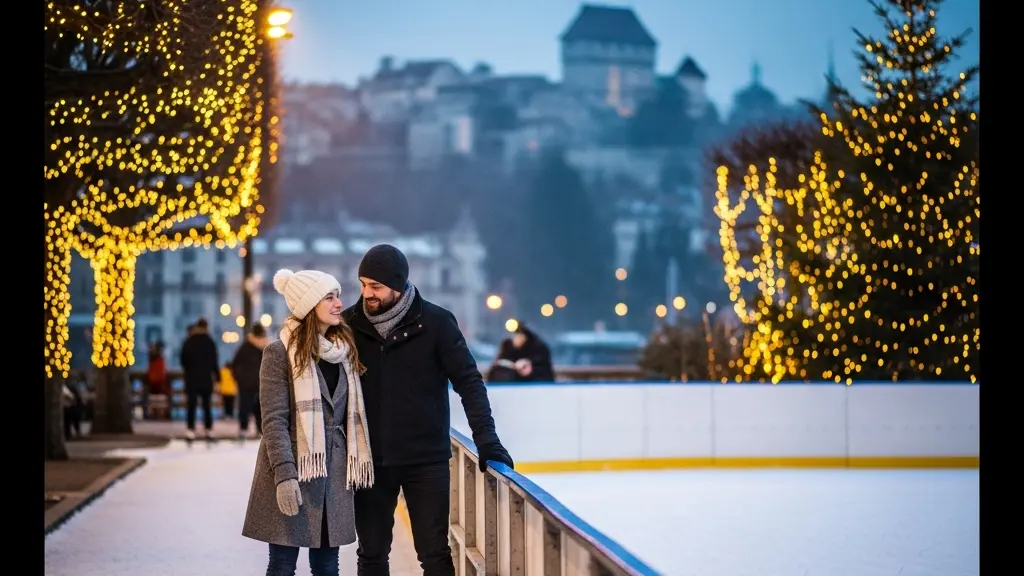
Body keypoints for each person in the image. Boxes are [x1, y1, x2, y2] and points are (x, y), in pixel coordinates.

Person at [343, 244, 513, 576]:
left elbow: (468, 382)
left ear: (397, 284)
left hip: (425, 460)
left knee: (434, 554)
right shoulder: (350, 323)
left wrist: (487, 439)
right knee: (371, 555)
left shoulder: (435, 323)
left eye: (375, 286)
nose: (367, 294)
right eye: (363, 284)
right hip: (369, 462)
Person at [242, 269, 375, 576]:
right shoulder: (278, 354)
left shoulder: (344, 351)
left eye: (338, 296)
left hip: (334, 476)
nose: (339, 304)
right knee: (283, 566)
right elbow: (273, 421)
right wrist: (284, 477)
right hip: (294, 469)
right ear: (308, 305)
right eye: (329, 297)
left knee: (328, 567)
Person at [179, 318, 219, 440]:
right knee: (206, 405)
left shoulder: (189, 341)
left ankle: (190, 429)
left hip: (191, 378)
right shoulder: (210, 342)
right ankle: (208, 429)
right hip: (206, 378)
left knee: (191, 405)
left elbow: (183, 360)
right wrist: (217, 377)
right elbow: (214, 362)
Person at [232, 323, 269, 439]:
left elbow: (234, 364)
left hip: (253, 383)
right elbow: (235, 365)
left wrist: (239, 378)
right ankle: (255, 430)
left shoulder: (246, 347)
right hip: (256, 383)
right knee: (257, 408)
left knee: (255, 407)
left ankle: (247, 430)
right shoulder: (265, 348)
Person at [488, 323, 555, 382]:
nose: (516, 339)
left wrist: (530, 367)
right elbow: (499, 364)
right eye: (515, 336)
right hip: (512, 385)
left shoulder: (538, 348)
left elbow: (544, 369)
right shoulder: (508, 347)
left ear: (525, 337)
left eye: (519, 336)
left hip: (536, 384)